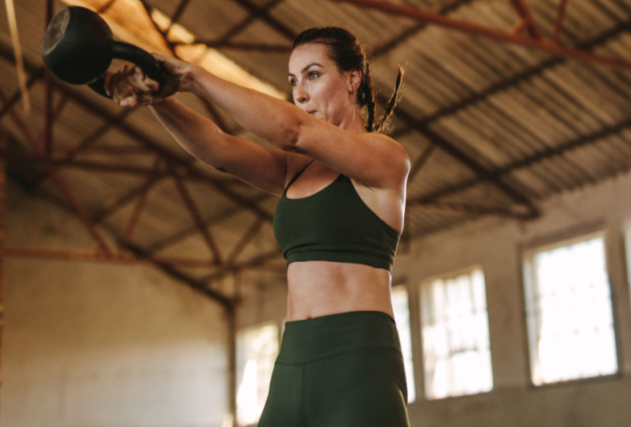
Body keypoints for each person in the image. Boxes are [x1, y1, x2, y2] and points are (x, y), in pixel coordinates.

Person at [105, 27, 411, 426]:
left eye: (313, 75)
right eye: (293, 81)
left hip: (358, 365)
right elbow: (217, 148)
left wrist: (193, 77)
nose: (299, 93)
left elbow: (292, 130)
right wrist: (159, 99)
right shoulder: (293, 171)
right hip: (291, 363)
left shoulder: (387, 160)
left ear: (352, 79)